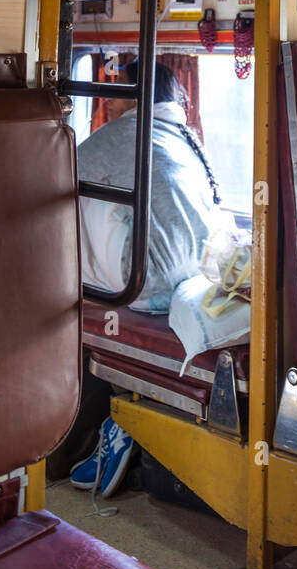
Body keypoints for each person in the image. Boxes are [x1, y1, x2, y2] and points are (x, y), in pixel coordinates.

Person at [70, 60, 233, 497]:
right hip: (192, 281)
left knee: (81, 211)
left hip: (145, 289)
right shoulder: (184, 137)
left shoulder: (114, 138)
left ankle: (116, 421)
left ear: (131, 96)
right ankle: (121, 421)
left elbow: (57, 178)